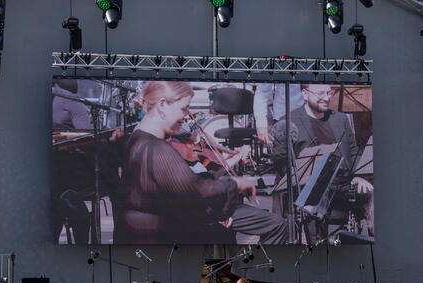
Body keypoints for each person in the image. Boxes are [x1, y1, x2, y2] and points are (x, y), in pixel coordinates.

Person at [115, 80, 287, 245]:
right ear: (162, 105)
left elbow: (173, 195)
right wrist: (235, 183)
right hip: (159, 239)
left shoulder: (138, 140)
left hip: (156, 230)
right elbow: (197, 190)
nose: (185, 116)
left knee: (221, 235)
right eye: (183, 109)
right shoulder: (156, 148)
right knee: (221, 239)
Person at [271, 83, 373, 242]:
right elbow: (282, 164)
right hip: (312, 188)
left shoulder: (340, 118)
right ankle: (318, 248)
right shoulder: (288, 122)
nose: (326, 98)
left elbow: (353, 151)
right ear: (305, 94)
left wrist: (359, 175)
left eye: (329, 93)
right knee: (314, 207)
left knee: (373, 194)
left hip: (343, 184)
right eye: (320, 94)